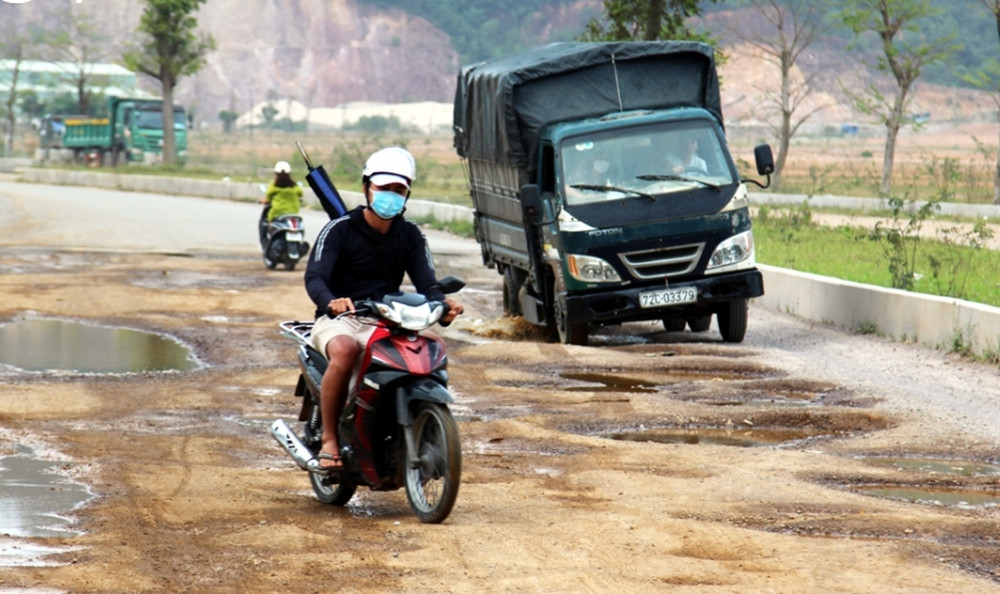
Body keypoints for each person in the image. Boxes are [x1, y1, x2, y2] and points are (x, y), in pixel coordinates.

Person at [303, 147, 464, 471]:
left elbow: (427, 284)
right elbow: (316, 276)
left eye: (398, 190)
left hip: (388, 318)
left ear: (407, 194)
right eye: (384, 188)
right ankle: (331, 439)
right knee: (346, 350)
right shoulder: (340, 229)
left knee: (428, 348)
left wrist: (443, 305)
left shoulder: (410, 235)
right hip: (341, 319)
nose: (391, 196)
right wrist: (331, 301)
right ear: (367, 188)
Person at [259, 161, 304, 244]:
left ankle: (266, 243)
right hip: (293, 213)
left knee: (266, 225)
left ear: (276, 173)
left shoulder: (274, 185)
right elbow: (300, 193)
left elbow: (268, 196)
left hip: (277, 213)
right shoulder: (295, 185)